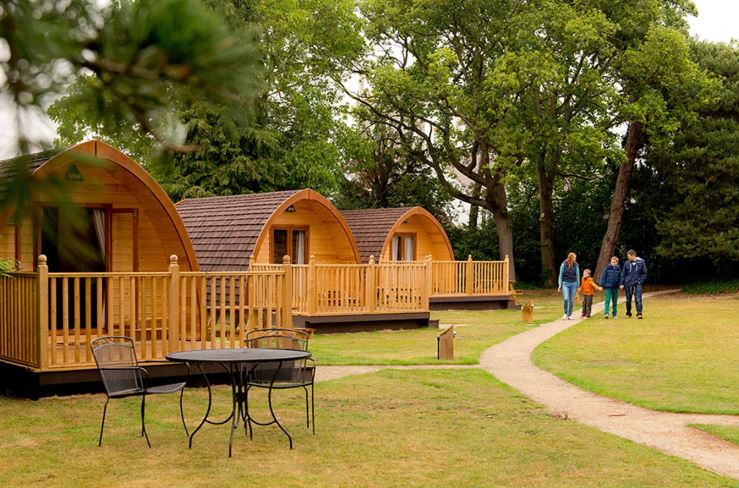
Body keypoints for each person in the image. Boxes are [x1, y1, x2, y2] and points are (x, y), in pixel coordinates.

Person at [620, 249, 647, 319]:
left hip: (638, 283)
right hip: (628, 283)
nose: (628, 257)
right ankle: (628, 312)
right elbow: (623, 274)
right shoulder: (627, 263)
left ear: (633, 255)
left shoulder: (641, 262)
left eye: (629, 256)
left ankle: (639, 313)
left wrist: (641, 281)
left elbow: (644, 273)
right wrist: (622, 283)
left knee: (638, 299)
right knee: (628, 300)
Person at [557, 252, 580, 320]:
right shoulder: (563, 264)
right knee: (566, 299)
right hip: (565, 283)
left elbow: (578, 275)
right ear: (571, 258)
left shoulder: (576, 265)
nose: (575, 259)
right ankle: (565, 313)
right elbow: (560, 275)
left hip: (573, 283)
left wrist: (578, 285)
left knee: (571, 300)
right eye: (574, 258)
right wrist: (559, 285)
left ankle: (570, 315)